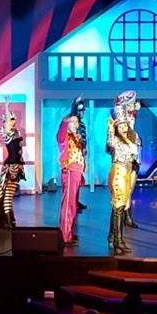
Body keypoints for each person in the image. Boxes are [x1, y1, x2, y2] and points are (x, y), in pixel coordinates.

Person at [106, 100, 139, 255]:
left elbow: (135, 152)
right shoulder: (115, 140)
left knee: (120, 206)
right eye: (120, 126)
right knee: (118, 206)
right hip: (118, 171)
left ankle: (113, 236)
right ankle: (118, 241)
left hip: (127, 171)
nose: (124, 128)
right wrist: (110, 128)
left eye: (125, 125)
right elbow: (109, 141)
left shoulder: (132, 138)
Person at [57, 97, 86, 246]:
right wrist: (72, 111)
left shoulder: (76, 137)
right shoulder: (64, 137)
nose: (76, 124)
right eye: (73, 122)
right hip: (69, 171)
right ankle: (64, 236)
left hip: (77, 172)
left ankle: (69, 232)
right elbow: (63, 126)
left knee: (74, 204)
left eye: (76, 122)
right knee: (68, 203)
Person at [0, 110, 24, 229]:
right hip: (10, 167)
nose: (13, 120)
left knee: (9, 196)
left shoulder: (16, 132)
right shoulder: (7, 134)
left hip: (17, 166)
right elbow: (6, 127)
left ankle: (8, 220)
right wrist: (6, 105)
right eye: (10, 119)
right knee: (7, 196)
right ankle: (8, 222)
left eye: (13, 118)